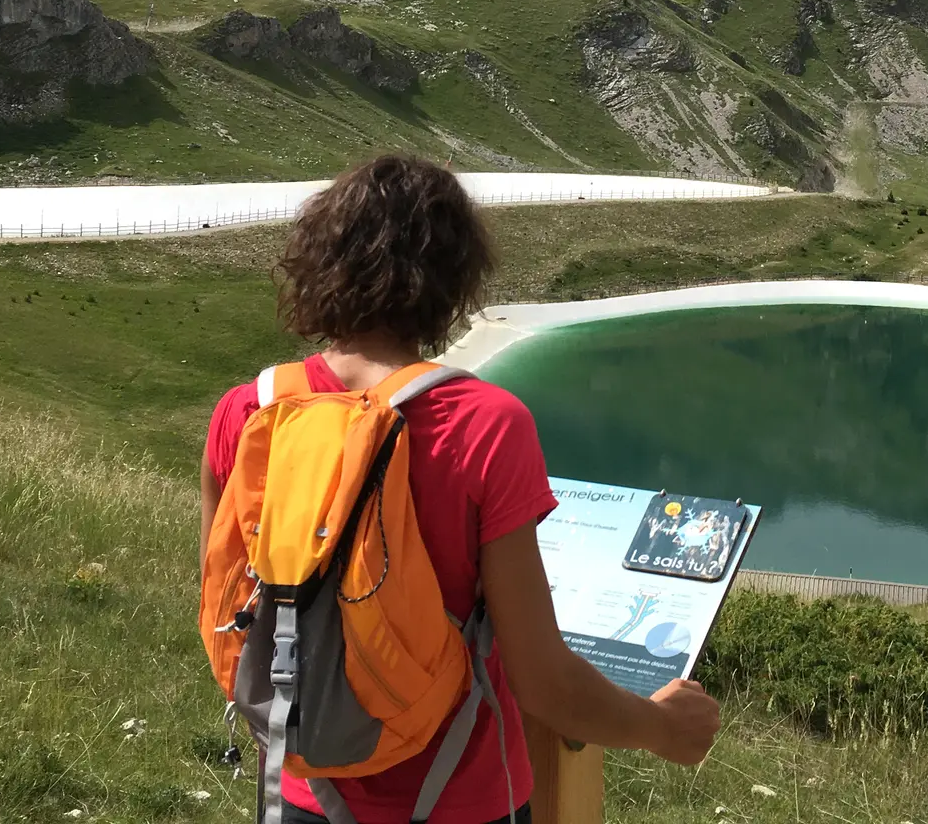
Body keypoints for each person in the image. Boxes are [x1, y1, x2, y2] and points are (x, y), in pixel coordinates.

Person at [201, 155, 721, 824]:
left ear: (319, 261)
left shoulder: (247, 412)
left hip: (303, 791)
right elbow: (545, 684)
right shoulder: (485, 425)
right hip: (460, 799)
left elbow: (230, 611)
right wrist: (660, 727)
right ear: (452, 278)